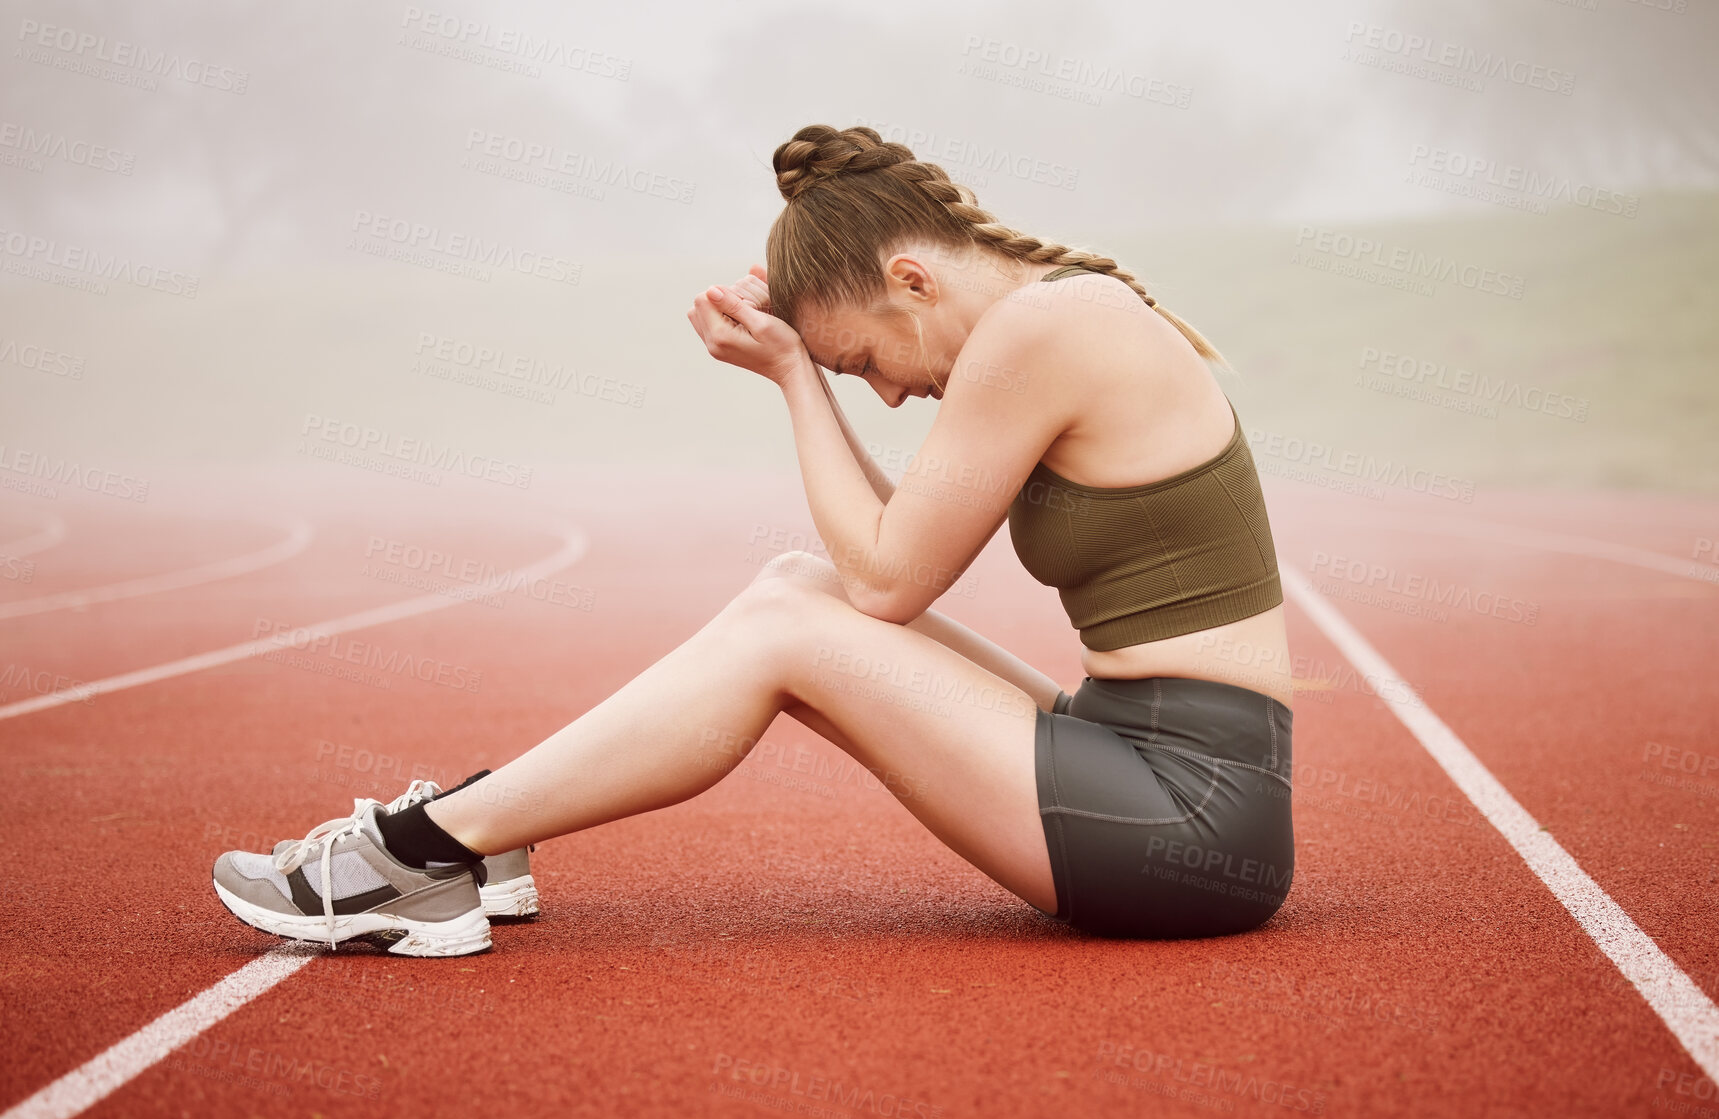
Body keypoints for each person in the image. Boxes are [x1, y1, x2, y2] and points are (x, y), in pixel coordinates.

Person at [211, 124, 1295, 956]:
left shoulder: (1042, 332)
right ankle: (478, 835)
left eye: (862, 358)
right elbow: (882, 559)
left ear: (912, 283)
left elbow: (888, 586)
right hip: (1140, 761)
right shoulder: (1051, 319)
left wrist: (787, 373)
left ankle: (424, 854)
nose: (881, 393)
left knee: (796, 623)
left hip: (1194, 821)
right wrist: (803, 358)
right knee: (796, 583)